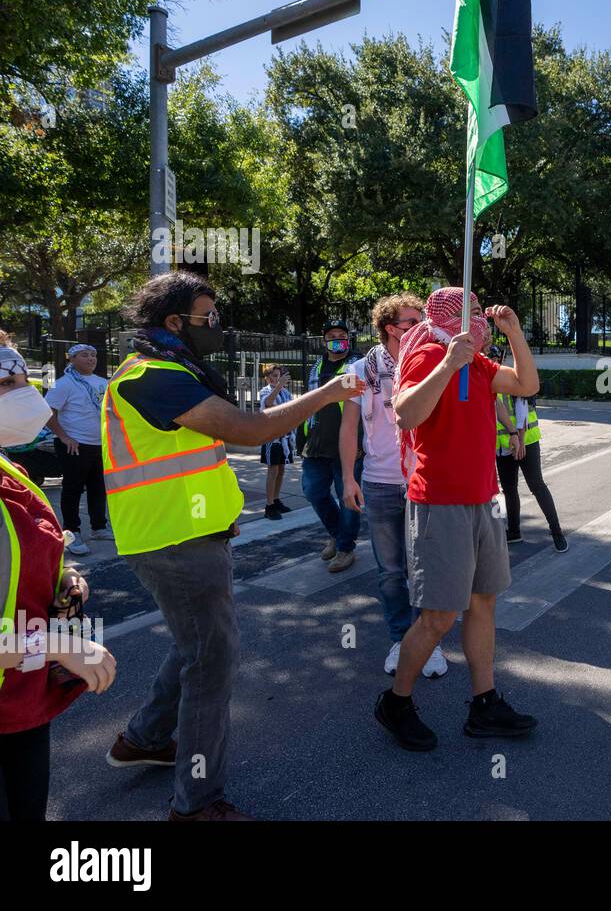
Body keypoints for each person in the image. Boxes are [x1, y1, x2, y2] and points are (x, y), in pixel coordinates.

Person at [101, 272, 364, 820]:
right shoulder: (153, 376)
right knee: (211, 662)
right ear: (175, 323)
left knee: (190, 643)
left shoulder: (173, 370)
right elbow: (250, 429)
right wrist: (329, 391)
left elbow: (193, 461)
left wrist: (219, 517)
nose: (217, 324)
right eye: (208, 316)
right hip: (172, 541)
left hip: (188, 532)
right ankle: (196, 804)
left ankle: (143, 739)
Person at [373, 288, 539, 752]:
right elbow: (406, 415)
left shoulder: (480, 362)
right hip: (440, 502)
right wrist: (449, 363)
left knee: (483, 602)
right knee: (438, 616)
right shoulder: (428, 351)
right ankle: (397, 702)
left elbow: (526, 385)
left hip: (482, 499)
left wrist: (515, 332)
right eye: (471, 311)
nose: (479, 319)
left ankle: (484, 704)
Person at [0, 336, 117, 821]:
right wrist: (52, 645)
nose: (23, 394)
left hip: (22, 706)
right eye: (6, 384)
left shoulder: (9, 466)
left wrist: (63, 574)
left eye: (20, 379)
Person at [340, 294, 448, 679]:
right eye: (411, 324)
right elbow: (348, 427)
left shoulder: (428, 364)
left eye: (422, 323)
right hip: (381, 482)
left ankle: (428, 644)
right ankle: (401, 639)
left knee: (425, 569)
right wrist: (349, 478)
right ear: (390, 328)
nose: (420, 329)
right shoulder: (361, 370)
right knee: (390, 572)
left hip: (423, 482)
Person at [301, 319, 363, 572]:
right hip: (316, 444)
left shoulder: (357, 365)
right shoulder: (316, 365)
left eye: (342, 334)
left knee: (347, 497)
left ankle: (345, 547)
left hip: (347, 444)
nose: (337, 339)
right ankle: (337, 534)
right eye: (332, 335)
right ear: (324, 339)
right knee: (313, 492)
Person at [43, 343, 110, 556]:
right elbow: (47, 413)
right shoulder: (63, 384)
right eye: (84, 355)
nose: (91, 359)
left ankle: (99, 527)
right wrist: (64, 436)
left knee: (98, 487)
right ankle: (72, 532)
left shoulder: (103, 382)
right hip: (75, 446)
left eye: (93, 355)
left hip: (99, 445)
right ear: (71, 359)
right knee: (72, 489)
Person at [495, 384, 567, 552]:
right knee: (509, 489)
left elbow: (522, 410)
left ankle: (557, 532)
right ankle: (514, 532)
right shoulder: (489, 378)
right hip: (502, 445)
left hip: (526, 441)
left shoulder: (510, 377)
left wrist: (519, 440)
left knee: (536, 485)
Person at [256, 365, 296, 520]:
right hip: (271, 438)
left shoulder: (285, 393)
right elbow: (268, 403)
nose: (276, 378)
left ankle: (276, 499)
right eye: (273, 376)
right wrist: (279, 386)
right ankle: (269, 505)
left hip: (284, 438)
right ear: (267, 378)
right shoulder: (265, 391)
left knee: (281, 470)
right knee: (272, 470)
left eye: (278, 375)